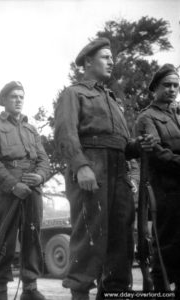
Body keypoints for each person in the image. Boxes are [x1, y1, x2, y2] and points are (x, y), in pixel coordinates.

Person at [54, 38, 156, 300]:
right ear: (88, 62)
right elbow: (66, 133)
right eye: (105, 57)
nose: (112, 62)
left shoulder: (113, 101)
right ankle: (80, 294)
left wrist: (138, 146)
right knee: (89, 234)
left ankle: (115, 293)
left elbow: (121, 144)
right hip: (92, 169)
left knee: (122, 238)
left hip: (119, 173)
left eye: (112, 58)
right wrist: (81, 166)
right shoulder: (73, 93)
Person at [0, 81, 50, 300]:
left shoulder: (31, 128)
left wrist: (40, 176)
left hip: (33, 187)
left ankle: (29, 287)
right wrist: (12, 185)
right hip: (8, 188)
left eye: (21, 96)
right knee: (4, 240)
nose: (19, 100)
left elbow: (43, 158)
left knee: (32, 237)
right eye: (14, 96)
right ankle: (0, 289)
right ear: (4, 100)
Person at [135, 64, 180, 296]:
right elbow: (158, 155)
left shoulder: (177, 115)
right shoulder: (146, 118)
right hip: (165, 192)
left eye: (176, 85)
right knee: (166, 249)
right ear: (155, 88)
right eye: (167, 85)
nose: (172, 90)